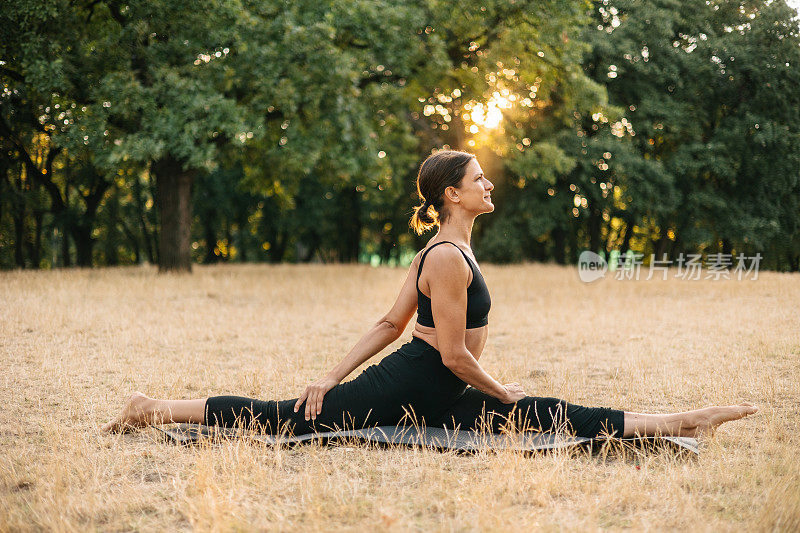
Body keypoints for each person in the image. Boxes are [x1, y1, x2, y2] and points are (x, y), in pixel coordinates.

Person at [102, 150, 758, 440]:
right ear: (452, 193)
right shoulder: (445, 256)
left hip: (435, 390)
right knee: (283, 418)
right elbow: (445, 352)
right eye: (479, 179)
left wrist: (328, 371)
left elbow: (389, 319)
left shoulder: (449, 251)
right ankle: (152, 407)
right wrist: (501, 389)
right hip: (413, 386)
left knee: (547, 414)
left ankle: (680, 421)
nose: (488, 185)